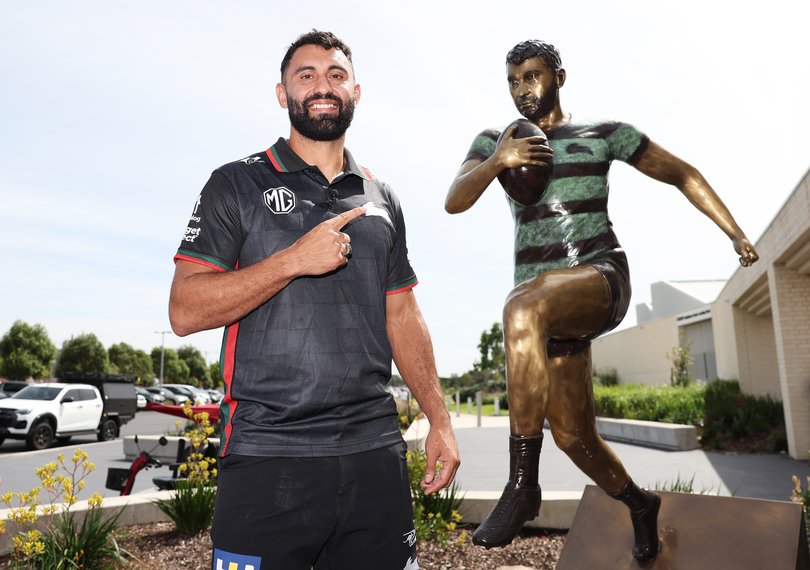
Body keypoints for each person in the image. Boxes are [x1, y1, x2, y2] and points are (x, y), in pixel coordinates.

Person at [445, 39, 758, 562]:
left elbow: (682, 173)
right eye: (513, 80)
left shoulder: (604, 133)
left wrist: (735, 233)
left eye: (532, 76)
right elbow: (455, 199)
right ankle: (640, 504)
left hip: (599, 276)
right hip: (547, 310)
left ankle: (522, 485)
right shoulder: (495, 141)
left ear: (559, 76)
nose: (523, 89)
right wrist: (498, 160)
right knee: (573, 437)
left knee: (521, 306)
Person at [169, 30, 459, 570]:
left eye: (335, 75)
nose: (321, 86)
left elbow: (402, 313)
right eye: (306, 76)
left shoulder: (381, 196)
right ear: (283, 94)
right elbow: (184, 310)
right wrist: (292, 260)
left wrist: (438, 418)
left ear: (355, 91)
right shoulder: (235, 183)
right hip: (265, 456)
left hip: (375, 454)